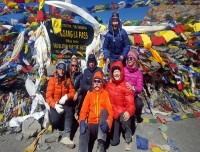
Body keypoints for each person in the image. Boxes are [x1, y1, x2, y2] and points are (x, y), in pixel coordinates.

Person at [78, 71, 113, 152]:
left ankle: (101, 145)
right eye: (95, 81)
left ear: (102, 83)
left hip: (102, 125)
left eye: (99, 81)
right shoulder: (89, 94)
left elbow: (110, 111)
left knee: (104, 111)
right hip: (91, 124)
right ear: (93, 83)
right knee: (84, 128)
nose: (97, 83)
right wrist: (82, 121)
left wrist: (108, 123)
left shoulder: (105, 93)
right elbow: (83, 111)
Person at [106, 61, 135, 151]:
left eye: (118, 71)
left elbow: (131, 104)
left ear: (121, 72)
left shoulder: (126, 86)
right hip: (113, 114)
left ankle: (128, 138)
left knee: (125, 118)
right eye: (114, 72)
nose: (116, 74)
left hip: (121, 113)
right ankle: (115, 133)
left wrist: (129, 112)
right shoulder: (108, 85)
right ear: (112, 73)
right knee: (114, 142)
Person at [45, 61, 75, 149]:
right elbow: (48, 97)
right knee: (55, 121)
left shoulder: (67, 80)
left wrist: (67, 96)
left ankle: (66, 136)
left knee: (69, 112)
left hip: (64, 104)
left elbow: (73, 92)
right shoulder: (52, 80)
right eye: (60, 69)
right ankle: (57, 123)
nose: (61, 71)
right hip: (55, 105)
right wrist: (55, 105)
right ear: (57, 69)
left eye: (63, 69)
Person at [124, 48, 144, 123]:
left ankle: (136, 115)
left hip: (133, 95)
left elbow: (140, 88)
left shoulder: (139, 73)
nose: (128, 60)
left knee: (139, 103)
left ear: (135, 60)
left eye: (130, 58)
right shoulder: (123, 69)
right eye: (127, 58)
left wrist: (133, 88)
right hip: (124, 94)